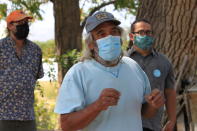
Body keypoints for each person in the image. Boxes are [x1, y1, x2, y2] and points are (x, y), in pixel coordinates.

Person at [54, 11, 165, 131]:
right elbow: (66, 125)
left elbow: (145, 112)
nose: (110, 37)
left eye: (114, 31)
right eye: (101, 33)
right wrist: (97, 106)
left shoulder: (133, 67)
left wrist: (153, 105)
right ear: (91, 44)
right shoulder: (78, 73)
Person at [127, 19, 176, 131]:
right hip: (126, 123)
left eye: (148, 32)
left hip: (153, 125)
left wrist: (172, 120)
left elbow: (169, 92)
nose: (145, 35)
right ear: (131, 36)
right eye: (141, 32)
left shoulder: (164, 62)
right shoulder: (122, 61)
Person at [0, 10, 44, 131]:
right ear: (10, 25)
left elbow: (36, 76)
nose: (24, 25)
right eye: (20, 22)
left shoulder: (36, 50)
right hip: (3, 116)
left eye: (26, 22)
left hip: (27, 117)